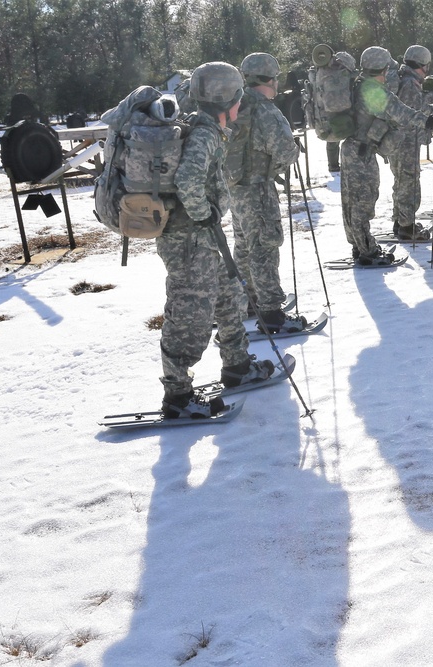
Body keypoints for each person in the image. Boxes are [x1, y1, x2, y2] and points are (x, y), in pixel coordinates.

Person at [158, 61, 276, 419]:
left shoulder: (209, 127)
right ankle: (177, 397)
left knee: (229, 298)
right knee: (189, 316)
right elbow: (188, 181)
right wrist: (202, 213)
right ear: (229, 100)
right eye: (239, 97)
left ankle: (237, 366)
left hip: (205, 236)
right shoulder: (205, 133)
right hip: (189, 241)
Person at [340, 46, 433, 264]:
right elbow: (399, 111)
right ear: (384, 68)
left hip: (351, 149)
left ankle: (359, 246)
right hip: (362, 152)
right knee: (363, 202)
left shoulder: (357, 84)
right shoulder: (374, 90)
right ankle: (366, 250)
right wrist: (427, 120)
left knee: (351, 201)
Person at [227, 52, 305, 334]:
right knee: (265, 247)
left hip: (235, 188)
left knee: (245, 246)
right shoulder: (267, 111)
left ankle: (247, 301)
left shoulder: (236, 105)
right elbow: (285, 152)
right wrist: (295, 149)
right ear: (270, 79)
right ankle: (271, 313)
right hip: (259, 188)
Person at [385, 44, 433, 240]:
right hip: (406, 141)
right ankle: (406, 226)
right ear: (422, 64)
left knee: (401, 180)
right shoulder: (410, 84)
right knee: (409, 180)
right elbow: (414, 113)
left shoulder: (404, 80)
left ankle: (401, 220)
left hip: (398, 140)